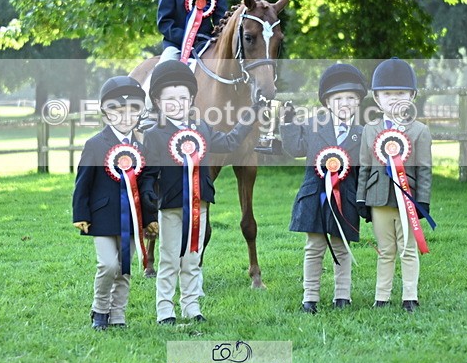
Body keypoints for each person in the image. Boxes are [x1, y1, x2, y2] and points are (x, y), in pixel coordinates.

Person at [140, 61, 260, 325]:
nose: (177, 103)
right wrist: (148, 194)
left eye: (182, 98)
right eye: (169, 99)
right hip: (170, 206)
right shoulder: (154, 135)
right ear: (158, 102)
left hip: (199, 204)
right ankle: (165, 310)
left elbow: (229, 141)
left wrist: (249, 117)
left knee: (192, 258)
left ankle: (192, 306)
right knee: (170, 258)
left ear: (191, 99)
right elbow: (147, 174)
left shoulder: (202, 129)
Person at [72, 76, 158, 330]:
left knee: (124, 268)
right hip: (102, 218)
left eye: (132, 110)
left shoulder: (142, 149)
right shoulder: (94, 145)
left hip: (133, 220)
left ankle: (118, 314)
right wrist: (80, 213)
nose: (125, 117)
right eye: (117, 111)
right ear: (105, 114)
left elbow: (146, 187)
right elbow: (83, 183)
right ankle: (100, 309)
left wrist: (151, 218)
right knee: (108, 264)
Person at [280, 64, 367, 313]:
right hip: (314, 196)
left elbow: (363, 170)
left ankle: (342, 296)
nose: (345, 103)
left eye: (351, 98)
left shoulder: (362, 134)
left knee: (342, 246)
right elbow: (295, 148)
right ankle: (310, 297)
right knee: (314, 247)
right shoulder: (312, 125)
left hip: (345, 198)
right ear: (328, 103)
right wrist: (287, 124)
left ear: (359, 102)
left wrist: (363, 201)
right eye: (338, 98)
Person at [356, 57, 433, 313]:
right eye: (387, 94)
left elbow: (424, 169)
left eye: (400, 93)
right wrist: (361, 198)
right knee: (385, 250)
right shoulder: (370, 129)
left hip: (407, 200)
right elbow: (364, 167)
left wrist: (422, 201)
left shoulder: (420, 131)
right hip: (378, 198)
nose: (393, 99)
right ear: (377, 99)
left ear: (412, 95)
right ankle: (382, 296)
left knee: (408, 249)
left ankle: (410, 296)